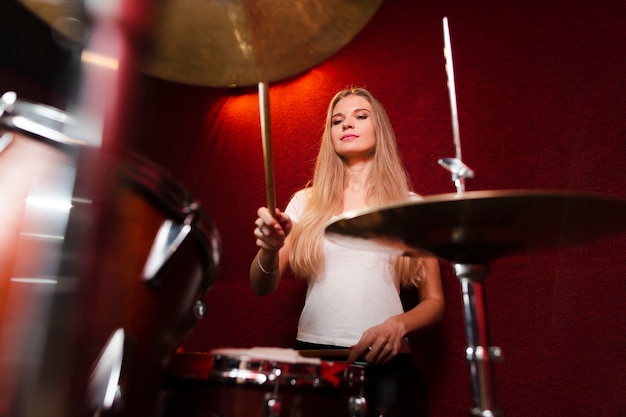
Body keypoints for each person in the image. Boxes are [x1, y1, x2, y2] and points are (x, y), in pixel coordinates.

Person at [250, 87, 445, 417]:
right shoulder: (305, 203)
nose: (346, 124)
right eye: (336, 121)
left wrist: (398, 324)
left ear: (378, 128)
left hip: (388, 359)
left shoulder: (411, 207)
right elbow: (261, 286)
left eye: (360, 116)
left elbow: (435, 302)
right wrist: (269, 250)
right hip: (316, 356)